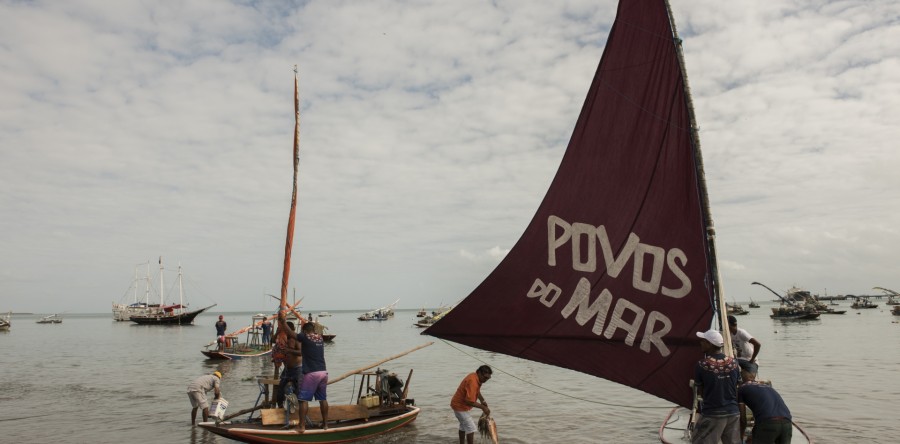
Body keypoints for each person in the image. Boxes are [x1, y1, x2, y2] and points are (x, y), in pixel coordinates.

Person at [692, 329, 741, 444]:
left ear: (710, 344)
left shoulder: (702, 365)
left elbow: (701, 391)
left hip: (713, 413)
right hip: (733, 412)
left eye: (703, 341)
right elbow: (737, 386)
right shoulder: (734, 363)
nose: (701, 343)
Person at [290, 321, 329, 433]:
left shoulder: (305, 336)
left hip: (312, 373)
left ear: (305, 331)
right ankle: (325, 425)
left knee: (302, 400)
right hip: (323, 372)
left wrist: (282, 323)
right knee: (323, 399)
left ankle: (302, 426)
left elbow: (292, 333)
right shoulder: (320, 338)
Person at [738, 369, 793, 444]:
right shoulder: (767, 387)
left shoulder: (741, 389)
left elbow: (743, 419)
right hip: (787, 422)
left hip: (768, 424)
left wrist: (740, 437)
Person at [451, 365, 492, 444]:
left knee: (463, 426)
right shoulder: (473, 381)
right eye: (485, 377)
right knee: (471, 427)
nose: (486, 380)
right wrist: (483, 407)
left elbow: (477, 390)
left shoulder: (475, 377)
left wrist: (482, 400)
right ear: (479, 373)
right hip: (459, 406)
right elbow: (469, 401)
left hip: (458, 404)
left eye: (488, 378)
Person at [275, 315, 302, 409]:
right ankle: (280, 408)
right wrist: (276, 333)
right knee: (280, 391)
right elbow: (272, 341)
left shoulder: (296, 339)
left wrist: (289, 350)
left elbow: (301, 352)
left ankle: (298, 411)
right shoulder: (283, 338)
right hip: (287, 369)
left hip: (297, 368)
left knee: (298, 391)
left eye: (285, 330)